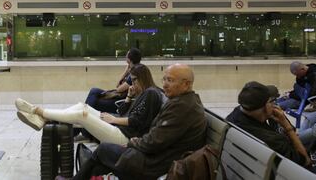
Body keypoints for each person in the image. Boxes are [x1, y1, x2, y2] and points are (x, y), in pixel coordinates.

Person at [57, 64, 206, 180]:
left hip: (154, 164)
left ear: (186, 84)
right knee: (99, 161)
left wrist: (132, 143)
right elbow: (156, 135)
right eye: (165, 79)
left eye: (170, 80)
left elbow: (154, 141)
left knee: (103, 150)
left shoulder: (181, 107)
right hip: (156, 157)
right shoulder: (183, 102)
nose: (165, 84)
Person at [15, 64, 165, 145]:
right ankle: (43, 118)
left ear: (142, 79)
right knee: (82, 106)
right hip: (119, 127)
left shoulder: (152, 93)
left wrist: (113, 120)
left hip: (124, 136)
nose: (132, 84)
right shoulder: (144, 93)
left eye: (134, 80)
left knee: (82, 115)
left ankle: (38, 111)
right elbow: (122, 111)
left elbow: (138, 121)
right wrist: (129, 97)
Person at [226, 81, 311, 167]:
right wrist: (287, 127)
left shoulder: (236, 114)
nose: (275, 104)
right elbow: (305, 161)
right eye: (272, 101)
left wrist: (268, 114)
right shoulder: (272, 140)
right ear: (266, 106)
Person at [84, 48, 142, 114]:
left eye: (127, 55)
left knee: (94, 101)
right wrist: (126, 71)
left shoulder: (134, 73)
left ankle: (83, 115)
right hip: (119, 96)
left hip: (121, 101)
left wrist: (125, 73)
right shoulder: (134, 69)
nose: (125, 56)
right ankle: (83, 113)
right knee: (94, 91)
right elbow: (117, 85)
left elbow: (119, 89)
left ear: (130, 58)